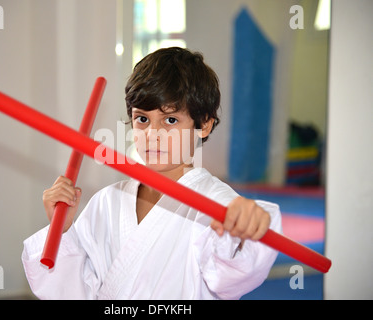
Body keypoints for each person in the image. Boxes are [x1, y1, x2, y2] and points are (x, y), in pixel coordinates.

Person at [22, 47, 282, 300]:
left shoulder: (216, 204)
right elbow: (74, 291)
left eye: (170, 120)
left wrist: (249, 223)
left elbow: (233, 275)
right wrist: (64, 230)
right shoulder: (107, 201)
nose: (152, 135)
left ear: (203, 124)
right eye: (142, 119)